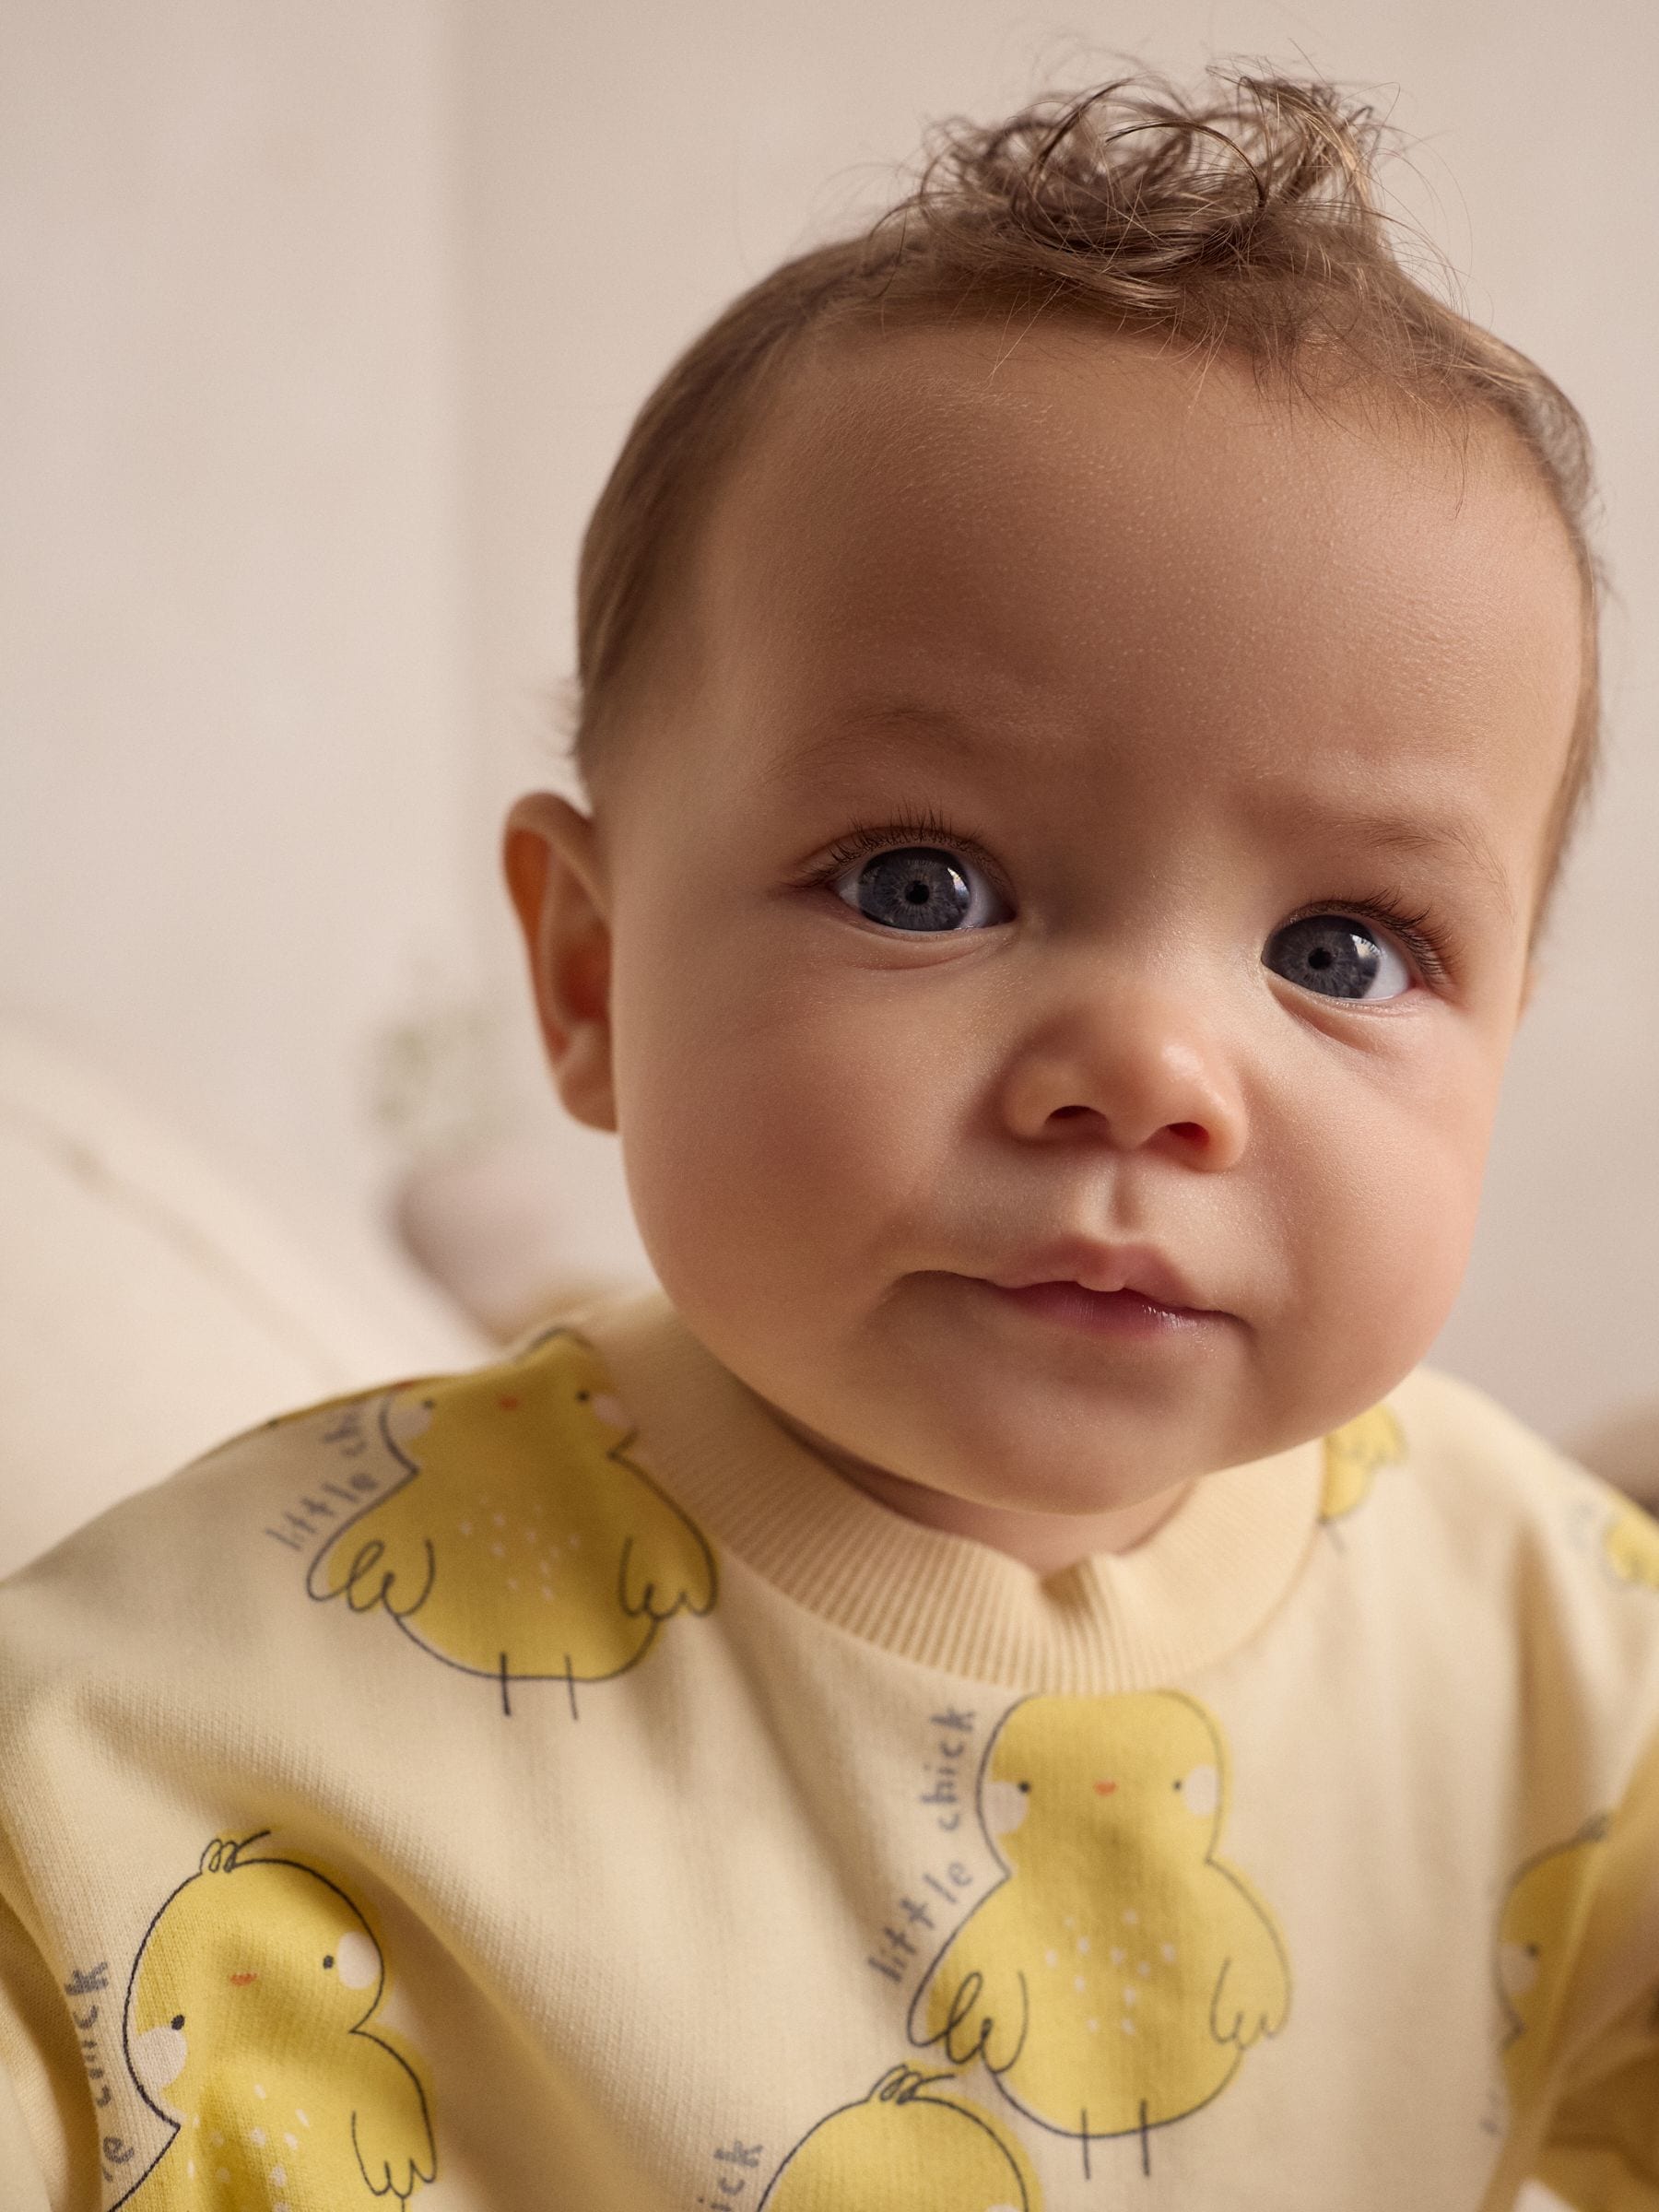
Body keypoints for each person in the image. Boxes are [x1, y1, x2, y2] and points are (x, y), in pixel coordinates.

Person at [0, 67, 1653, 2212]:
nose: (1153, 1069)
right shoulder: (237, 1695)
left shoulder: (1553, 1641)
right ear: (592, 980)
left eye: (1343, 945)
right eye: (921, 885)